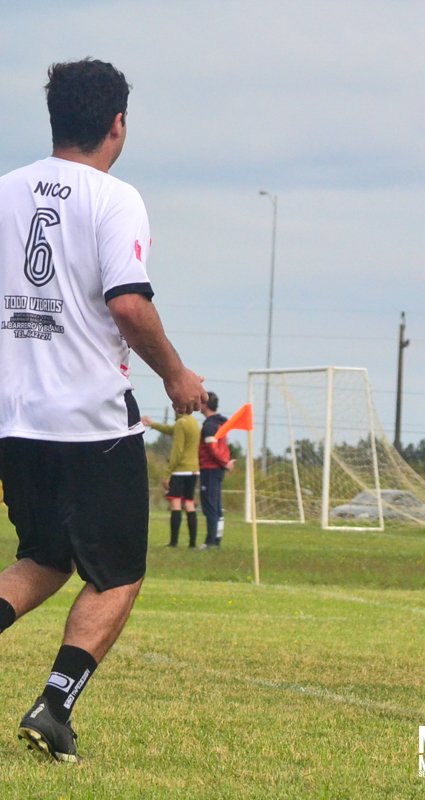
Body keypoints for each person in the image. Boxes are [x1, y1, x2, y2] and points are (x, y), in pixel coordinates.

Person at [0, 58, 206, 763]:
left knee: (46, 556)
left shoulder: (6, 191)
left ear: (54, 118)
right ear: (118, 124)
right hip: (89, 419)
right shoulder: (114, 198)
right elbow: (127, 302)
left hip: (15, 420)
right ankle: (54, 707)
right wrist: (176, 376)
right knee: (117, 571)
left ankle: (53, 706)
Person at [142, 411, 201, 548]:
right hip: (194, 469)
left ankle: (173, 542)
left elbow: (177, 451)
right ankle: (192, 544)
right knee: (189, 503)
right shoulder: (193, 422)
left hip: (180, 470)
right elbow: (171, 430)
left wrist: (167, 473)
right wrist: (153, 424)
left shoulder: (181, 423)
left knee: (175, 503)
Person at [198, 392, 235, 549]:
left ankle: (210, 541)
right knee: (217, 506)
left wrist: (225, 463)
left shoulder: (209, 426)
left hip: (210, 469)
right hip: (217, 469)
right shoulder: (220, 423)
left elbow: (213, 449)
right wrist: (226, 462)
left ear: (205, 405)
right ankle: (217, 539)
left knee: (210, 506)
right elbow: (223, 447)